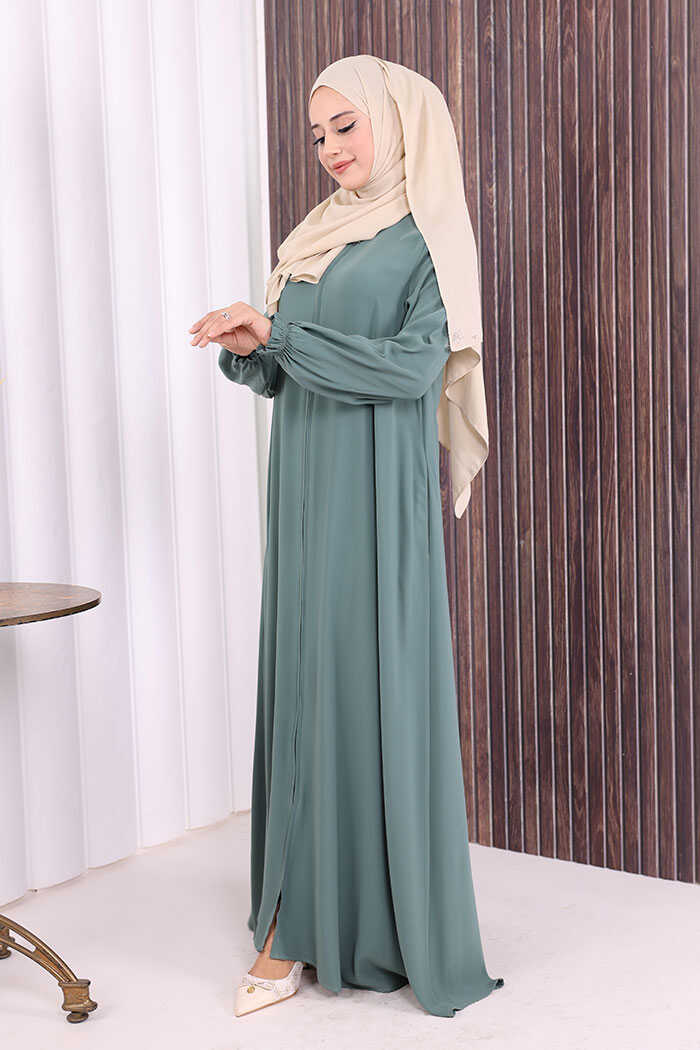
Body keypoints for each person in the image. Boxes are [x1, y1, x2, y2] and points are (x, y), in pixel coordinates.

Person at [189, 53, 504, 1019]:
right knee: (305, 681)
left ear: (395, 122)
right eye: (317, 133)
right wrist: (252, 349)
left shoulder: (426, 239)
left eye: (346, 126)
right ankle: (294, 917)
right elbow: (287, 369)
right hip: (303, 485)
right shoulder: (316, 236)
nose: (328, 148)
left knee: (360, 685)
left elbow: (411, 370)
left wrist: (282, 338)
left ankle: (366, 923)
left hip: (373, 493)